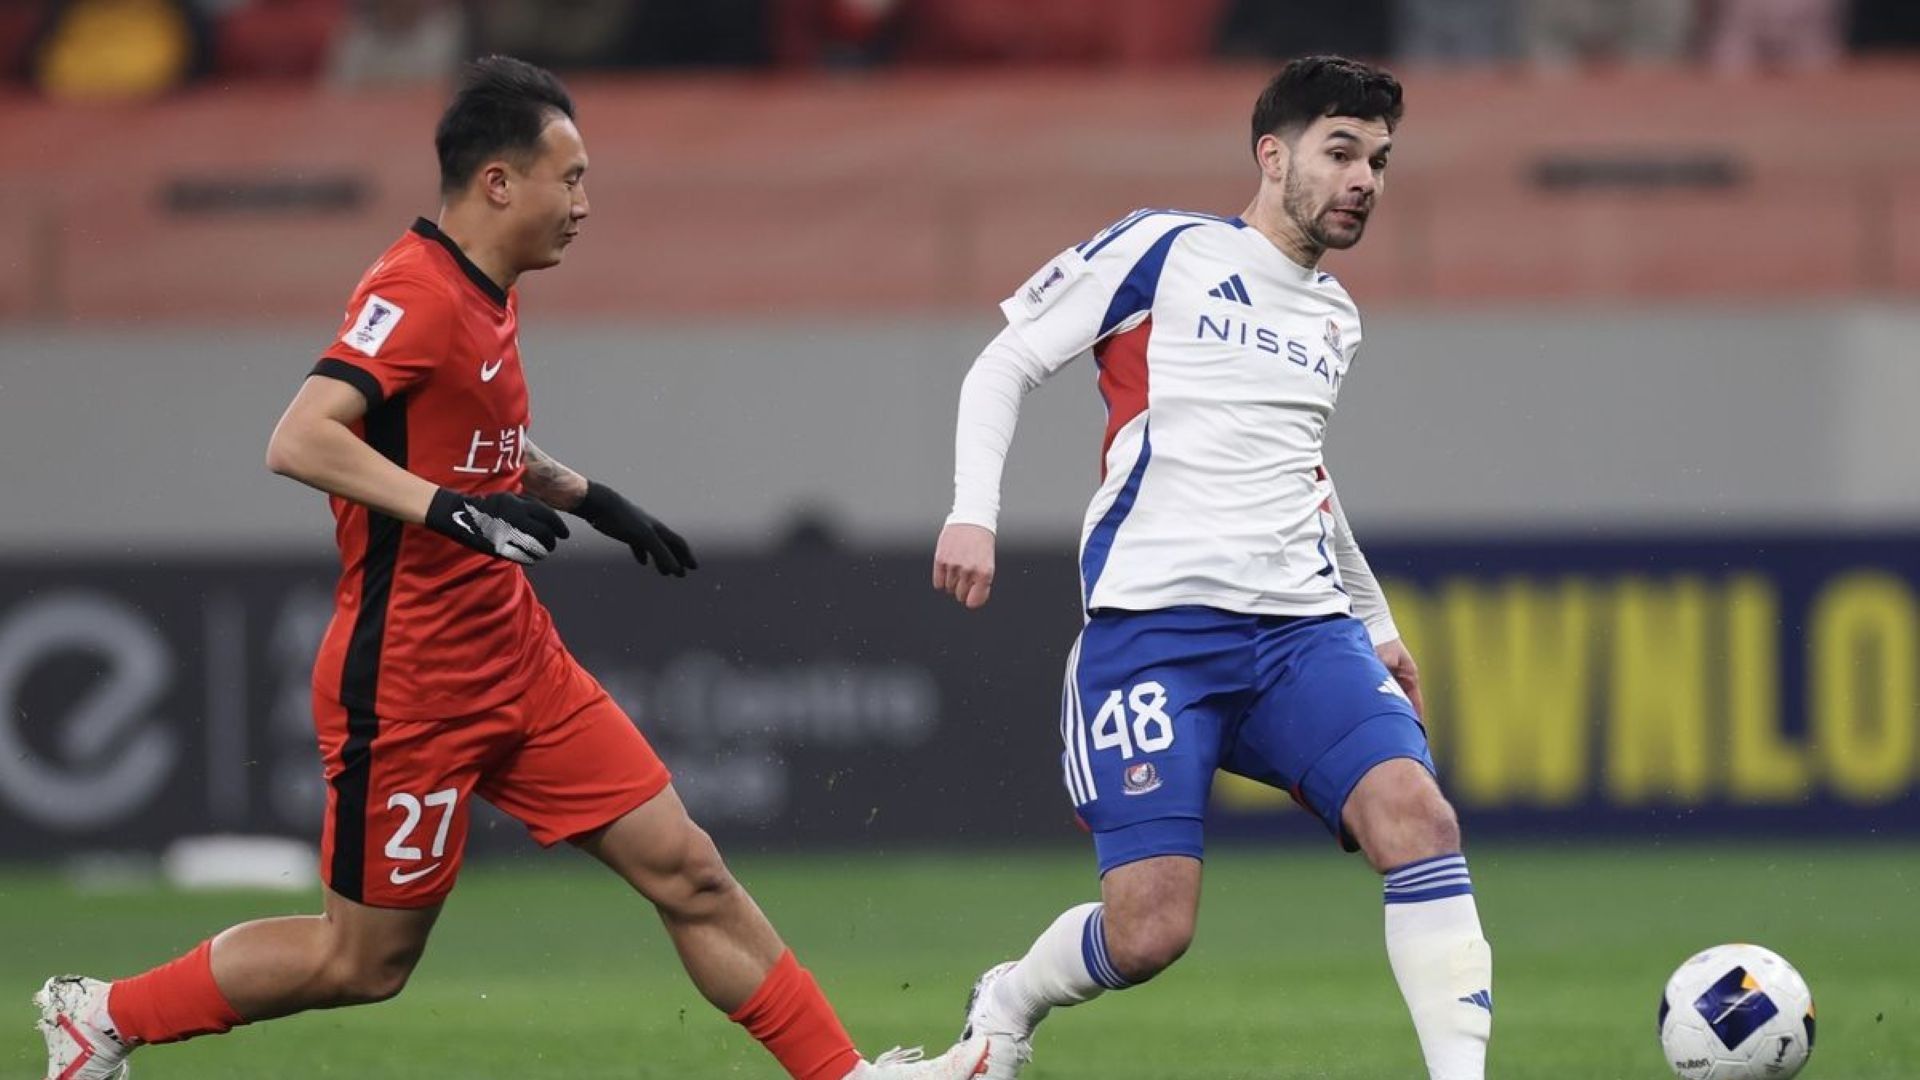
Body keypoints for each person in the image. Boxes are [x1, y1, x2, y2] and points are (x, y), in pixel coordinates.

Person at [36, 55, 992, 1080]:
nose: (584, 204)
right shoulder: (416, 293)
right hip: (411, 684)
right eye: (569, 178)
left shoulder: (486, 296)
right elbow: (300, 438)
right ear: (498, 182)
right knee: (363, 962)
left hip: (517, 659)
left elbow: (475, 440)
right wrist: (452, 513)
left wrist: (591, 498)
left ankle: (844, 1077)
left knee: (689, 871)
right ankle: (104, 1016)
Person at [928, 56, 1491, 1080]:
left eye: (1380, 160)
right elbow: (1004, 362)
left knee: (1419, 818)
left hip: (1301, 633)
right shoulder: (1164, 247)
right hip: (1158, 631)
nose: (1365, 178)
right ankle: (1007, 1002)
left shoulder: (1336, 317)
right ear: (1272, 156)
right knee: (1148, 933)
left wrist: (1371, 622)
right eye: (1341, 151)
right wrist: (974, 513)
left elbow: (1307, 480)